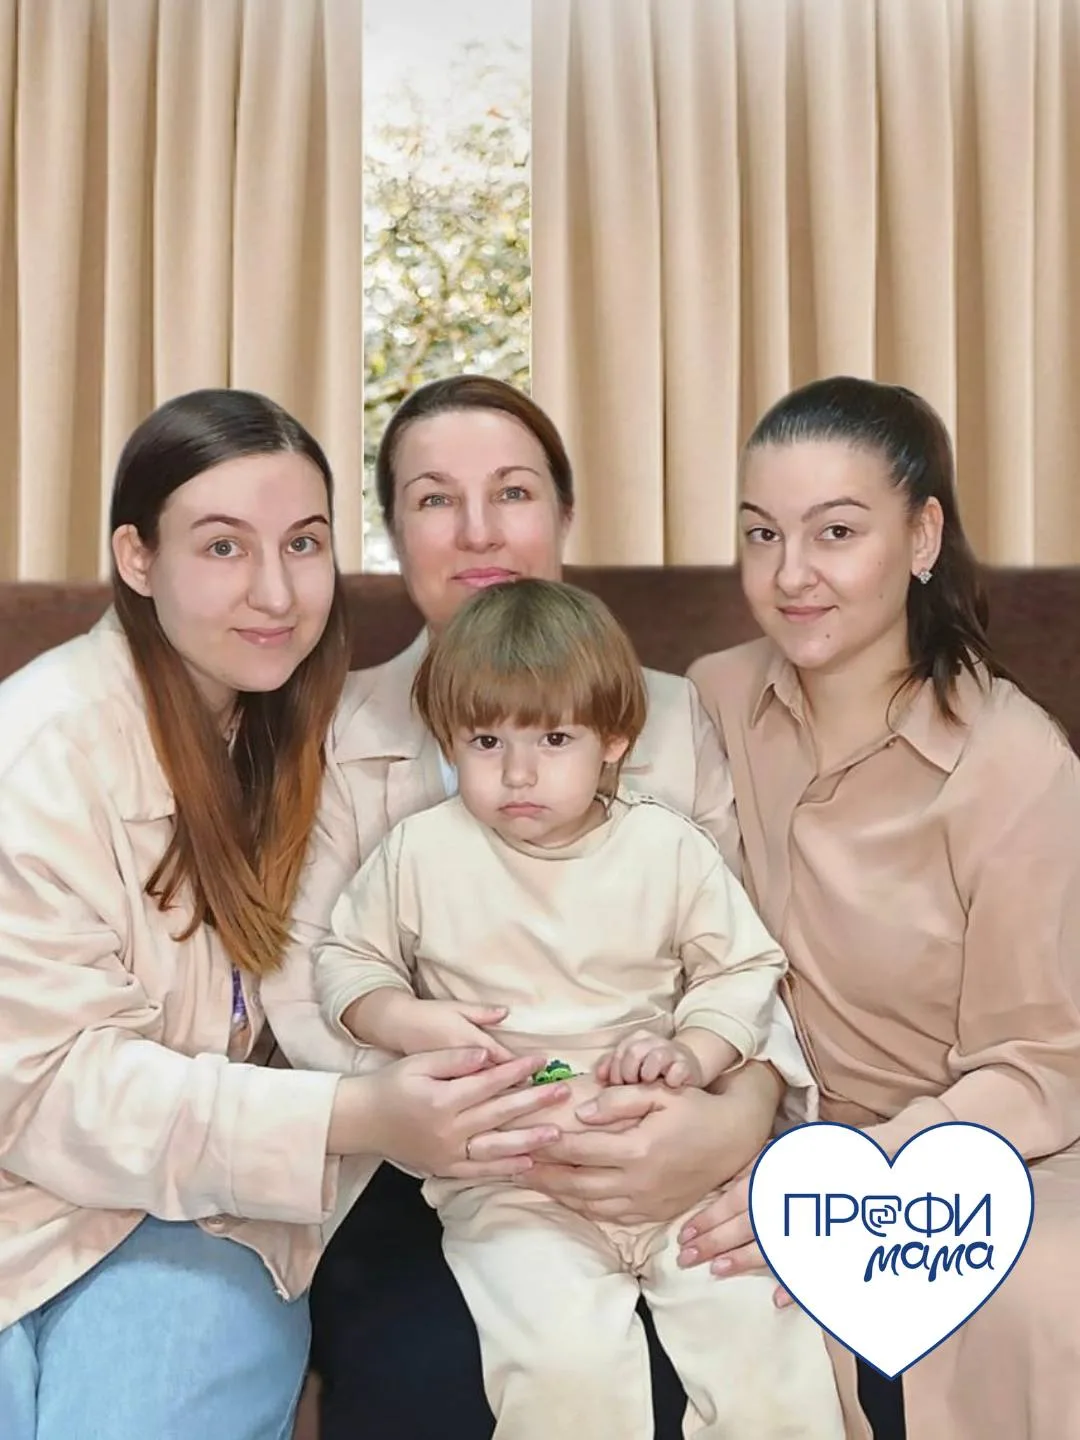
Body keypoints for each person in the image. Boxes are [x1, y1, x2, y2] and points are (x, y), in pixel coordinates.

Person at [0, 389, 568, 1440]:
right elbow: (46, 1091)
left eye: (303, 543)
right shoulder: (43, 750)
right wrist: (357, 1114)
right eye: (223, 546)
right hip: (34, 1201)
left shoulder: (306, 730)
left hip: (207, 1217)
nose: (274, 592)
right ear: (137, 558)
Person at [262, 375, 814, 1439]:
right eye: (435, 499)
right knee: (453, 1375)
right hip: (436, 1152)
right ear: (392, 532)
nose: (477, 529)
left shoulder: (673, 715)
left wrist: (731, 1119)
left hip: (670, 1110)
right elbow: (312, 981)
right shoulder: (332, 728)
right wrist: (462, 1110)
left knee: (784, 1337)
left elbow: (749, 949)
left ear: (564, 513)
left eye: (512, 492)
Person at [681, 376, 1080, 1440]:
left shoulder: (1015, 764)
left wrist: (846, 1195)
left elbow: (1041, 1065)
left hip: (990, 1153)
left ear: (922, 537)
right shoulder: (709, 702)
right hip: (758, 1134)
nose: (790, 575)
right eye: (762, 534)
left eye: (836, 532)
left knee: (1039, 1310)